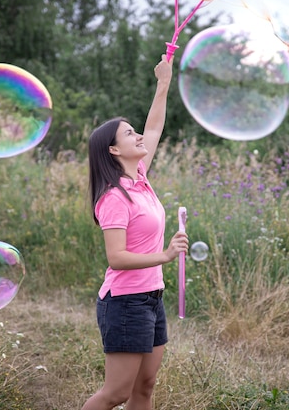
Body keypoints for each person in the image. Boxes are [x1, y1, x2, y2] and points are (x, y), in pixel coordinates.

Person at [82, 55, 189, 410]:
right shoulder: (114, 197)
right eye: (129, 133)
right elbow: (117, 257)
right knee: (116, 393)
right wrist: (166, 255)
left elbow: (154, 128)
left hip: (151, 297)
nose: (139, 135)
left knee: (145, 387)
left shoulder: (140, 178)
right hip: (125, 302)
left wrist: (164, 82)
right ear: (113, 150)